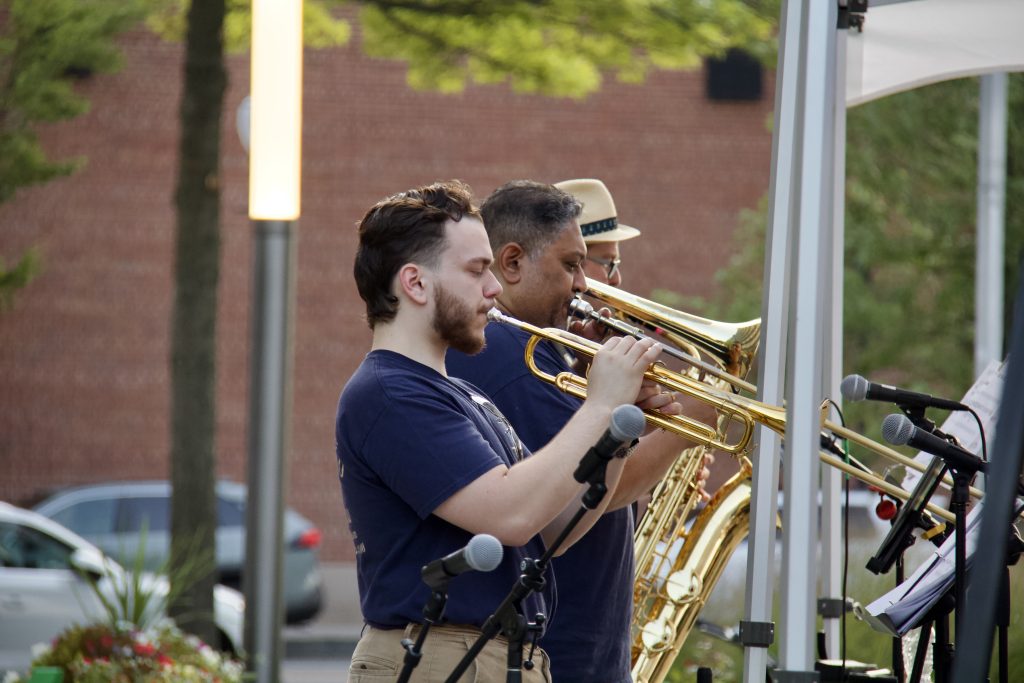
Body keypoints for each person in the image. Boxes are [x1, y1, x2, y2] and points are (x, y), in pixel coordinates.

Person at [335, 180, 667, 683]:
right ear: (416, 284)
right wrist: (599, 405)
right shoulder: (390, 394)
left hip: (491, 655)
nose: (494, 289)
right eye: (476, 271)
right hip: (441, 656)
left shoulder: (462, 394)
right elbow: (509, 515)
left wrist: (616, 429)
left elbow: (557, 526)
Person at [447, 179, 715, 682]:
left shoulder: (544, 350)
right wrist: (692, 422)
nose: (589, 286)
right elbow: (586, 487)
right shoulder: (511, 354)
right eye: (576, 265)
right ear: (512, 263)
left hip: (575, 646)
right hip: (561, 650)